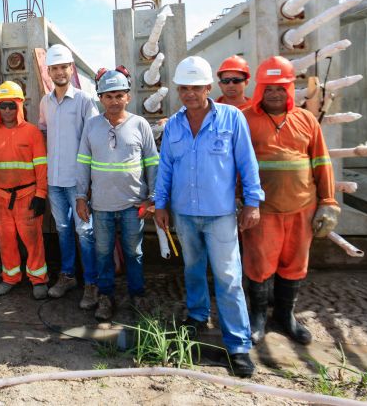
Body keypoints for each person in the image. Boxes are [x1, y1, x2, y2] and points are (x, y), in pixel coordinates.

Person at [154, 56, 264, 378]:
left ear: (208, 87)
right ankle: (198, 315)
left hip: (220, 216)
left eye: (196, 87)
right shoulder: (173, 124)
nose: (189, 94)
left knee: (228, 277)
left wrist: (253, 203)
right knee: (192, 269)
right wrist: (161, 204)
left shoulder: (231, 119)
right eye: (183, 88)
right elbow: (166, 168)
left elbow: (247, 162)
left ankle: (238, 345)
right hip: (185, 213)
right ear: (178, 89)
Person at [242, 55, 339, 346]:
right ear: (260, 89)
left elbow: (322, 161)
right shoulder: (245, 119)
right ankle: (257, 317)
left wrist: (328, 202)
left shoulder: (306, 119)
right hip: (261, 211)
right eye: (269, 88)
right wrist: (239, 201)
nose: (274, 94)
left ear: (289, 89)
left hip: (302, 208)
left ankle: (285, 316)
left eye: (280, 88)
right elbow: (235, 164)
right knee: (258, 264)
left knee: (294, 264)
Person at [76, 67, 159, 321]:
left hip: (134, 204)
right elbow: (82, 163)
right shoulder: (91, 127)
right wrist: (81, 197)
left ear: (128, 97)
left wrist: (153, 196)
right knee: (103, 254)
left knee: (134, 252)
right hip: (101, 205)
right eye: (109, 96)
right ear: (101, 98)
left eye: (119, 95)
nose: (114, 101)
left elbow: (152, 162)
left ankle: (137, 295)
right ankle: (105, 297)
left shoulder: (140, 124)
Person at [38, 43, 100, 309]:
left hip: (78, 183)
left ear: (71, 69)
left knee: (84, 232)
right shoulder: (45, 102)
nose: (60, 72)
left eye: (64, 67)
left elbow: (94, 139)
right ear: (49, 71)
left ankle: (92, 283)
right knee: (63, 231)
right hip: (54, 181)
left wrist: (87, 185)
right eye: (55, 68)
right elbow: (43, 131)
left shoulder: (85, 102)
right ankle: (68, 276)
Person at [0, 81, 49, 300]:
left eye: (11, 105)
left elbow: (41, 166)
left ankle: (38, 279)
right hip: (0, 197)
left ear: (20, 105)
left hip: (27, 197)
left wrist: (41, 195)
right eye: (3, 106)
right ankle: (10, 277)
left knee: (33, 240)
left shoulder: (32, 133)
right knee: (5, 239)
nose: (7, 110)